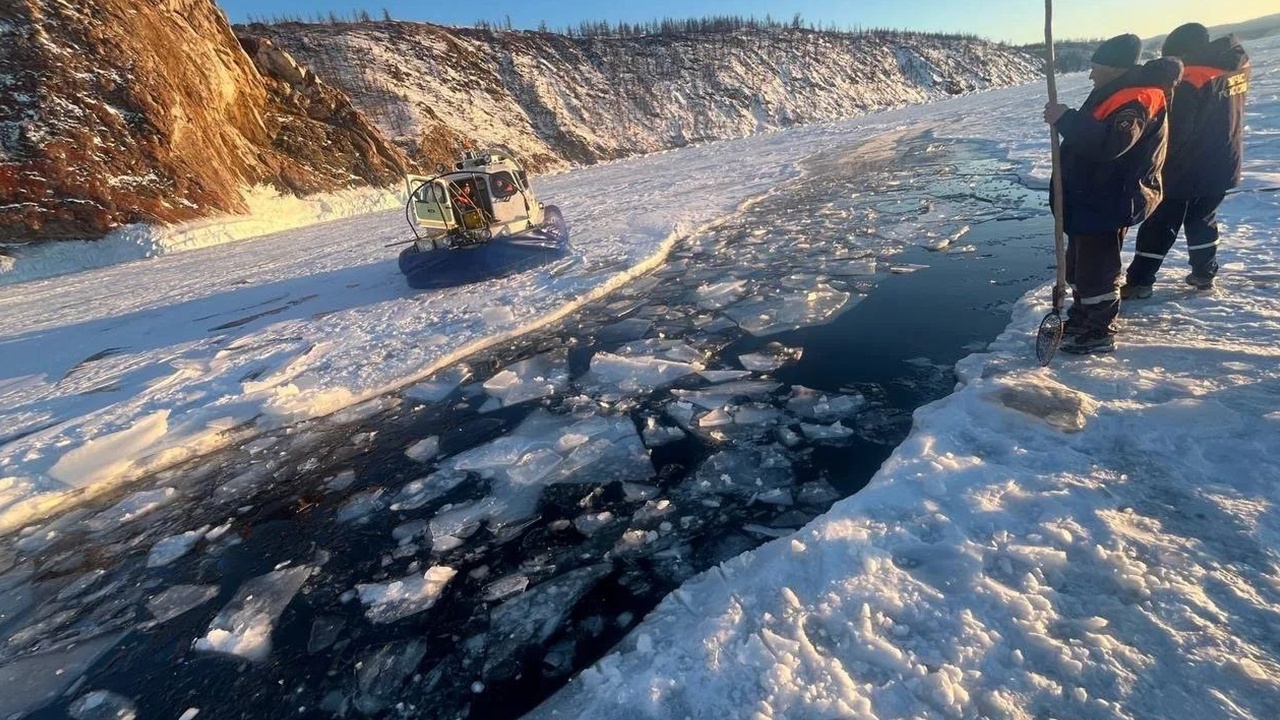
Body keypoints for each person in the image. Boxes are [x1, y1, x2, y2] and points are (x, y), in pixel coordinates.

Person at [1043, 34, 1183, 354]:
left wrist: (1066, 119)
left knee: (1097, 270)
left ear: (1114, 68)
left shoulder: (1137, 99)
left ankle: (1098, 331)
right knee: (1079, 266)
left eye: (1096, 67)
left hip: (1108, 198)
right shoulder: (1116, 92)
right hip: (1091, 195)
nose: (1091, 74)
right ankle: (1082, 318)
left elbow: (1110, 145)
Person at [1122, 24, 1251, 298]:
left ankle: (1140, 282)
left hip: (1188, 165)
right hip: (1225, 160)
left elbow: (1177, 130)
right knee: (1202, 217)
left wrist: (1153, 159)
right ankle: (1205, 273)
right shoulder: (1234, 65)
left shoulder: (1191, 78)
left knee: (1160, 220)